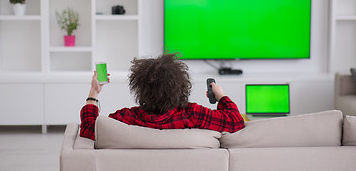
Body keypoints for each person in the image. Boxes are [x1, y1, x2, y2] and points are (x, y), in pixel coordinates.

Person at [80, 53, 245, 140]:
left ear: (140, 88)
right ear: (181, 87)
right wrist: (221, 96)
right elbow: (236, 122)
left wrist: (93, 92)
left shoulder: (126, 118)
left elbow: (88, 129)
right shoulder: (194, 114)